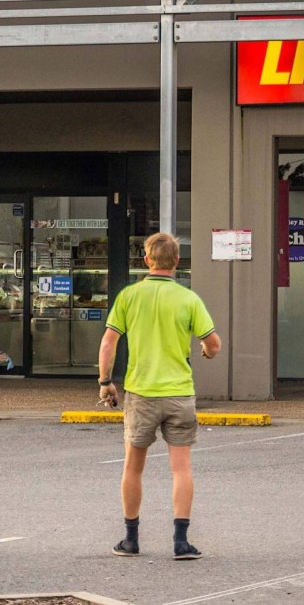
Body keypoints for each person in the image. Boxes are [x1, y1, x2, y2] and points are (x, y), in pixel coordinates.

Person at [97, 231, 220, 560]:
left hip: (141, 393)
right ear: (177, 261)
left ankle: (131, 539)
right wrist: (206, 352)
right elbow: (213, 343)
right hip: (180, 393)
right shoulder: (188, 299)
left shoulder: (129, 296)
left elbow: (109, 342)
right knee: (181, 468)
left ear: (146, 260)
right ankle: (181, 541)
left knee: (133, 467)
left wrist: (106, 381)